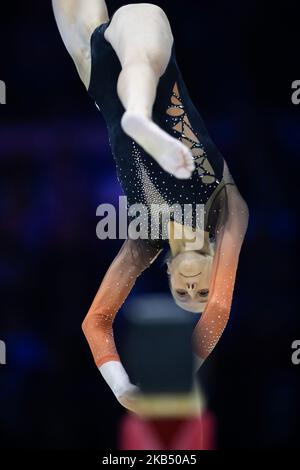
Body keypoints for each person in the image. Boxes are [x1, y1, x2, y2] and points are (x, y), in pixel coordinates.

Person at [52, 1, 249, 413]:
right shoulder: (227, 210)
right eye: (202, 291)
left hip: (97, 78)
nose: (192, 286)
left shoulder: (145, 240)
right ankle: (139, 119)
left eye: (182, 292)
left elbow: (96, 321)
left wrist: (123, 389)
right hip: (148, 48)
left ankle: (134, 117)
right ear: (218, 267)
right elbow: (219, 311)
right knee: (142, 62)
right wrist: (180, 374)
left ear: (167, 273)